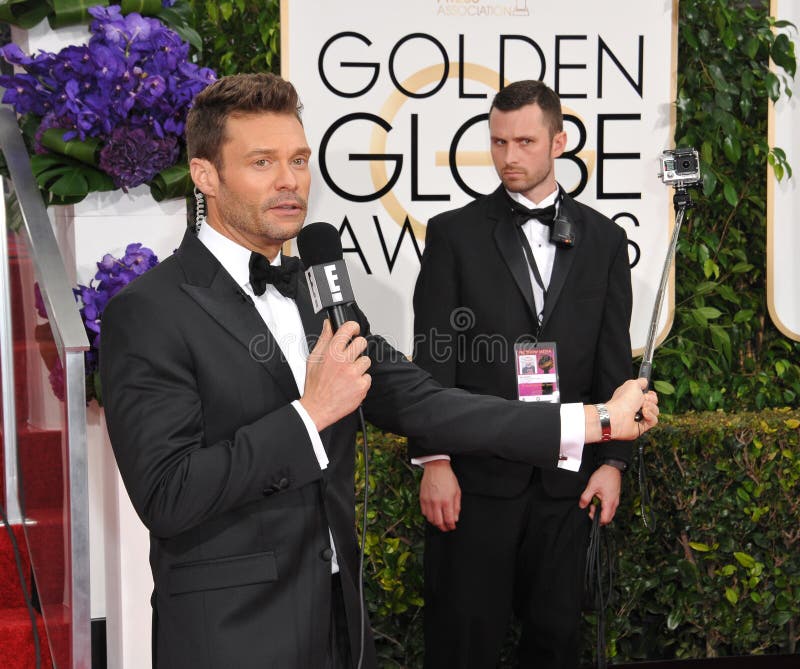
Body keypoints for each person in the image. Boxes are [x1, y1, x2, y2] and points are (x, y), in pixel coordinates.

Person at [99, 73, 657, 669]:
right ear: (205, 175)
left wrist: (596, 420)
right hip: (233, 633)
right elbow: (167, 494)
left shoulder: (320, 294)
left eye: (298, 160)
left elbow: (432, 404)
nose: (290, 181)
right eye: (262, 163)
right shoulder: (149, 312)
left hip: (340, 619)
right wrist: (310, 414)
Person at [410, 79, 636, 668]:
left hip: (567, 486)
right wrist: (433, 461)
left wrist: (612, 463)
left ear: (559, 141)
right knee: (463, 641)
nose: (510, 157)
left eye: (526, 142)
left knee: (557, 642)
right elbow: (433, 354)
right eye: (498, 142)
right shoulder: (454, 235)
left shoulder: (606, 241)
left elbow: (613, 361)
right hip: (475, 481)